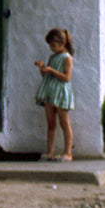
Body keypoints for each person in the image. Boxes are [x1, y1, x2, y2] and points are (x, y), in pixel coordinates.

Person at [34, 27, 74, 161]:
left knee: (64, 123)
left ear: (62, 43)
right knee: (51, 123)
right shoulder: (52, 57)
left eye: (53, 45)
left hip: (61, 92)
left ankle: (67, 153)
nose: (51, 48)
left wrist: (51, 71)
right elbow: (46, 75)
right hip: (50, 92)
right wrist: (43, 68)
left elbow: (66, 77)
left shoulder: (67, 58)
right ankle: (50, 152)